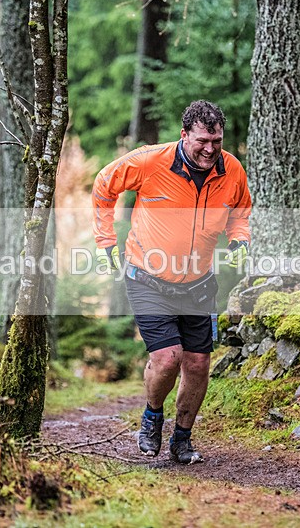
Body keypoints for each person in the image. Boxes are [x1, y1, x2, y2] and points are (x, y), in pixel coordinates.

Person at [91, 100, 251, 464]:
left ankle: (182, 438)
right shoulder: (150, 161)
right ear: (184, 136)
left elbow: (241, 210)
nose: (210, 149)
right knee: (167, 359)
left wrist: (240, 238)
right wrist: (105, 240)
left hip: (198, 283)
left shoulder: (232, 170)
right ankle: (152, 416)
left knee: (197, 364)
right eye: (202, 141)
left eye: (216, 141)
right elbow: (104, 185)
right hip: (148, 279)